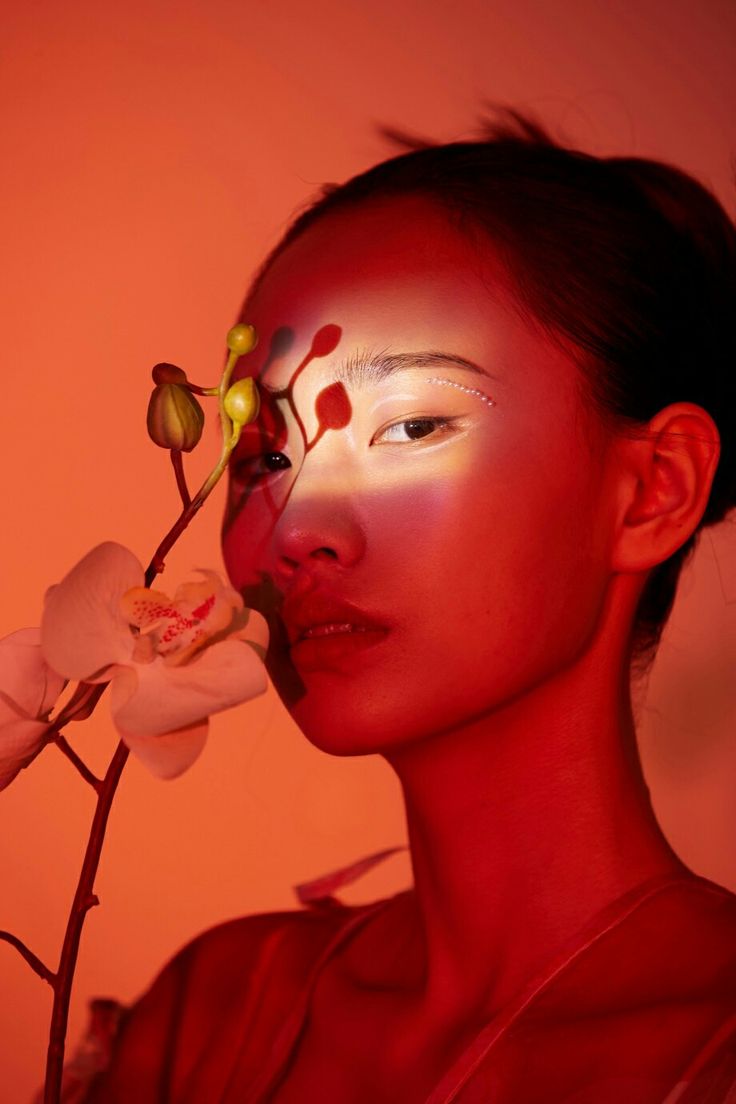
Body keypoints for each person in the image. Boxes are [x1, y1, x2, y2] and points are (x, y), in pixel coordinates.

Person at [85, 107, 736, 1102]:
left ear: (653, 491)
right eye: (261, 455)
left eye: (413, 425)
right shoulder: (205, 1016)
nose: (293, 528)